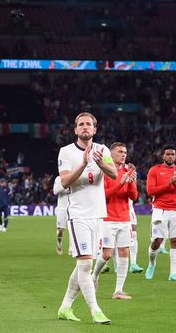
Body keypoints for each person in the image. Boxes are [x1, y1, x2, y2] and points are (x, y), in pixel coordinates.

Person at [56, 112, 116, 325]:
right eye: (81, 124)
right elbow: (64, 182)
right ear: (75, 130)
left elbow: (114, 174)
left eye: (88, 124)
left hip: (98, 215)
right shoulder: (66, 152)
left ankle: (64, 307)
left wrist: (99, 163)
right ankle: (95, 310)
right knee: (85, 264)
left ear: (94, 129)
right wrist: (82, 164)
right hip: (78, 215)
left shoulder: (103, 150)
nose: (85, 127)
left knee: (84, 264)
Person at [93, 142, 138, 300]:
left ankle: (118, 290)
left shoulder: (128, 171)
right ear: (111, 155)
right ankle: (94, 276)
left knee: (125, 252)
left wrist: (131, 181)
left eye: (125, 152)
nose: (123, 154)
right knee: (107, 254)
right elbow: (103, 195)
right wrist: (121, 183)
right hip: (108, 219)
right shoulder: (105, 172)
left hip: (124, 218)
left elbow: (133, 196)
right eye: (120, 152)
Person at [145, 145, 176, 282]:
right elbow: (150, 191)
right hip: (160, 209)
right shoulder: (155, 170)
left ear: (175, 156)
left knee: (175, 240)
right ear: (163, 156)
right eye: (168, 154)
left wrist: (175, 184)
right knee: (157, 241)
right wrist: (169, 184)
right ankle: (152, 263)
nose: (170, 156)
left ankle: (173, 274)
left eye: (173, 154)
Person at [53, 176, 68, 255]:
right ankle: (59, 244)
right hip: (62, 208)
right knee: (60, 231)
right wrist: (65, 186)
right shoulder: (59, 178)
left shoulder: (76, 176)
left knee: (74, 229)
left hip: (73, 208)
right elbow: (55, 191)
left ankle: (72, 249)